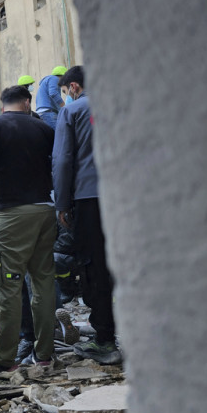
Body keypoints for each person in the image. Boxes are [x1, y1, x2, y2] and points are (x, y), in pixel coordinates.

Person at [0, 85, 57, 374]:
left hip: (11, 215)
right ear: (27, 102)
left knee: (8, 284)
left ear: (3, 104)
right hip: (45, 210)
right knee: (43, 281)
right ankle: (45, 354)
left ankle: (4, 359)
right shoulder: (44, 128)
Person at [53, 66, 121, 365]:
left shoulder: (74, 111)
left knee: (94, 267)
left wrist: (62, 203)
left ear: (75, 87)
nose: (67, 96)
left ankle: (105, 340)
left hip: (90, 197)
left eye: (66, 91)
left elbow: (63, 159)